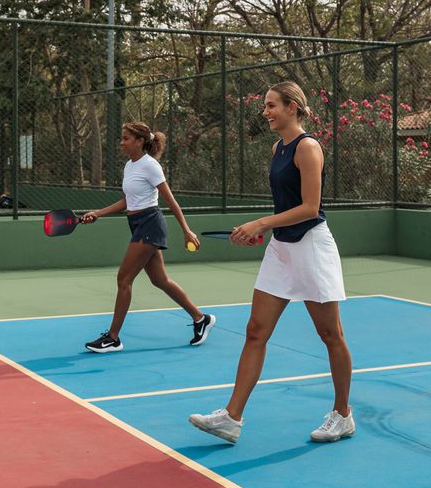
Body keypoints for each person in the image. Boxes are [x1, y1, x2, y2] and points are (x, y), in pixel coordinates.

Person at [189, 81, 354, 446]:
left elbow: (311, 207)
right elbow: (286, 207)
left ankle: (342, 414)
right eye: (265, 106)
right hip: (281, 248)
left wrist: (261, 222)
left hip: (312, 247)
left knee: (330, 335)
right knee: (255, 331)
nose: (266, 112)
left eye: (271, 105)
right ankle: (231, 418)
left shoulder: (308, 148)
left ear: (292, 106)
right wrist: (264, 230)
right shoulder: (277, 147)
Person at [79, 121, 213, 353]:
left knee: (124, 278)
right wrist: (98, 213)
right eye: (122, 138)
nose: (121, 142)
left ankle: (113, 337)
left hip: (150, 224)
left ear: (140, 141)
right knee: (160, 280)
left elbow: (170, 200)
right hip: (137, 223)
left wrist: (186, 230)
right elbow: (127, 201)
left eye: (126, 138)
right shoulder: (129, 166)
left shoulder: (151, 166)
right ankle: (200, 318)